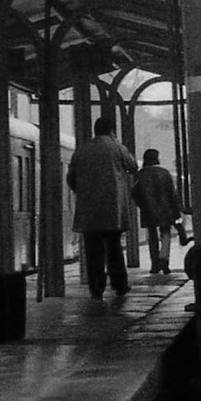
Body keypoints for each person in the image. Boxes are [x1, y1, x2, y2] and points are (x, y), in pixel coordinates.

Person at [67, 115, 138, 299]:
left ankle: (96, 287)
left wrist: (84, 193)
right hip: (112, 209)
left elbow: (71, 179)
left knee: (92, 251)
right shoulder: (116, 147)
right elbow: (133, 165)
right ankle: (119, 284)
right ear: (112, 130)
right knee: (114, 248)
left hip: (89, 211)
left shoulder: (82, 150)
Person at [132, 148, 181, 275]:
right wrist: (176, 212)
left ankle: (154, 263)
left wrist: (141, 204)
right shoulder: (164, 173)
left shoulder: (140, 175)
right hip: (165, 210)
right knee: (165, 234)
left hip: (148, 209)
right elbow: (172, 194)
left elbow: (134, 193)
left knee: (152, 236)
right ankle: (164, 260)